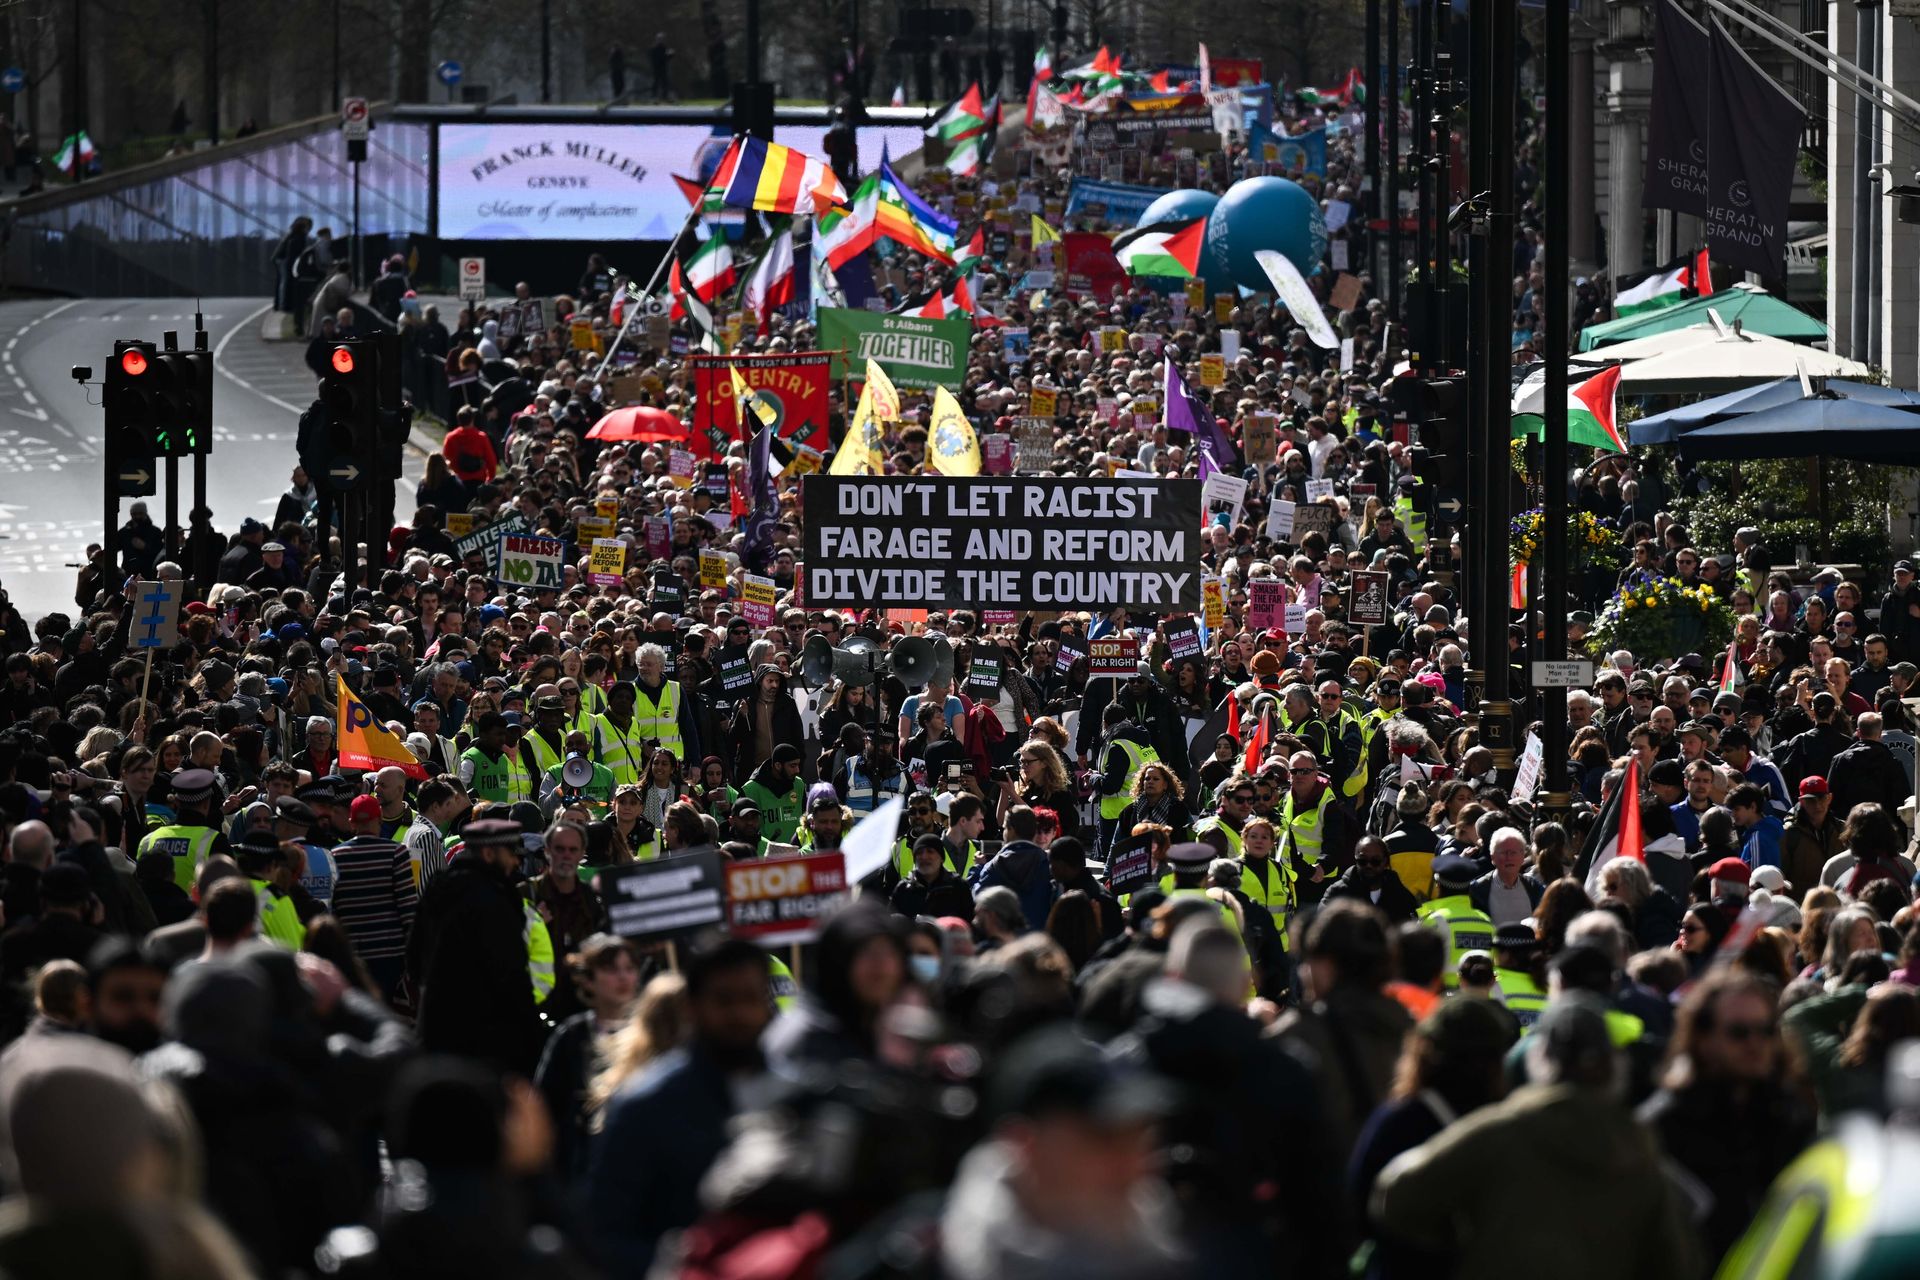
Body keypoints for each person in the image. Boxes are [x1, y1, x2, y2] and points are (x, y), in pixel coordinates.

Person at [1372, 995, 1699, 1279]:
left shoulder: (1499, 1132)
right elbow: (1675, 1265)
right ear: (1614, 1066)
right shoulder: (1642, 1156)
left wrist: (1462, 1246)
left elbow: (1396, 1196)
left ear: (1538, 1058)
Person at [1638, 972, 1815, 1266]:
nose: (1755, 1043)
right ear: (1703, 1039)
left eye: (1766, 1030)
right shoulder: (1662, 1127)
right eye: (1738, 1032)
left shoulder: (1791, 1116)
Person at [405, 818, 542, 1074]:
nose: (516, 861)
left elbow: (414, 960)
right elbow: (511, 975)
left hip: (436, 1029)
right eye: (511, 853)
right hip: (484, 1042)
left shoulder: (438, 890)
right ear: (490, 854)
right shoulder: (495, 902)